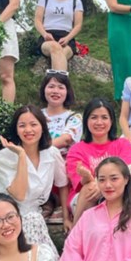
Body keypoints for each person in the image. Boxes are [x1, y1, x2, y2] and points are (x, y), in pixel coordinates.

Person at [0, 105, 69, 251]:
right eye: (22, 125)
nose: (28, 130)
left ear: (42, 127)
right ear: (16, 129)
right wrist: (21, 155)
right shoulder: (2, 157)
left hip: (34, 217)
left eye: (33, 124)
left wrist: (66, 218)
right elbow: (19, 195)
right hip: (5, 216)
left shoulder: (51, 153)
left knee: (35, 227)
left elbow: (62, 184)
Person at [65, 98, 131, 225]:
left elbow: (128, 173)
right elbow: (80, 183)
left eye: (104, 117)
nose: (99, 122)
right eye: (94, 117)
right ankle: (76, 233)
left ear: (111, 121)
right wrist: (88, 178)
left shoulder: (123, 144)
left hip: (117, 193)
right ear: (86, 121)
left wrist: (100, 184)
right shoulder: (76, 149)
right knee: (89, 188)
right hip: (85, 198)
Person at [39, 70, 83, 225]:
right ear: (44, 89)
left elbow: (66, 139)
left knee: (52, 154)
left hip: (63, 161)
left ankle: (58, 202)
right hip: (39, 159)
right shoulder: (36, 115)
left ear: (67, 91)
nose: (55, 91)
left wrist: (38, 147)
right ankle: (45, 201)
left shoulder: (74, 117)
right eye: (51, 86)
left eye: (60, 87)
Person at [34, 0, 84, 72]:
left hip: (67, 38)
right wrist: (45, 34)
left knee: (61, 53)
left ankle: (55, 80)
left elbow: (78, 25)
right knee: (55, 47)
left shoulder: (76, 1)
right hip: (47, 38)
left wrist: (68, 38)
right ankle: (61, 81)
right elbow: (37, 21)